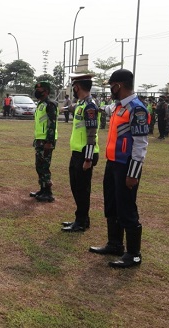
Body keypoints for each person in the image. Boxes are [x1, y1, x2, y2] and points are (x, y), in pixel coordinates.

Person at [89, 69, 148, 268]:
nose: (110, 89)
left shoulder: (136, 109)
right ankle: (115, 244)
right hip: (112, 163)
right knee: (112, 205)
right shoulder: (118, 107)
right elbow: (104, 109)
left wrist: (133, 174)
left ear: (119, 85)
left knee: (126, 208)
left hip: (127, 166)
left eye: (111, 85)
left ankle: (134, 254)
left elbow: (140, 145)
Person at [62, 74, 99, 232]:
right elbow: (73, 108)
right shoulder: (81, 104)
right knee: (76, 187)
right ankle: (82, 218)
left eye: (74, 87)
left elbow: (92, 134)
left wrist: (88, 158)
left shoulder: (90, 106)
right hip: (77, 152)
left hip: (85, 154)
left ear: (77, 87)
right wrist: (64, 107)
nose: (73, 90)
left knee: (82, 189)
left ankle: (81, 221)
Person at [29, 81, 58, 202]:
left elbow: (52, 124)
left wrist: (49, 142)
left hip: (47, 141)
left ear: (46, 91)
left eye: (39, 90)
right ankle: (42, 188)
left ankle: (48, 193)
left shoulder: (50, 104)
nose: (37, 91)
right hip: (40, 140)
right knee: (39, 166)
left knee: (45, 166)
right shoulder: (40, 104)